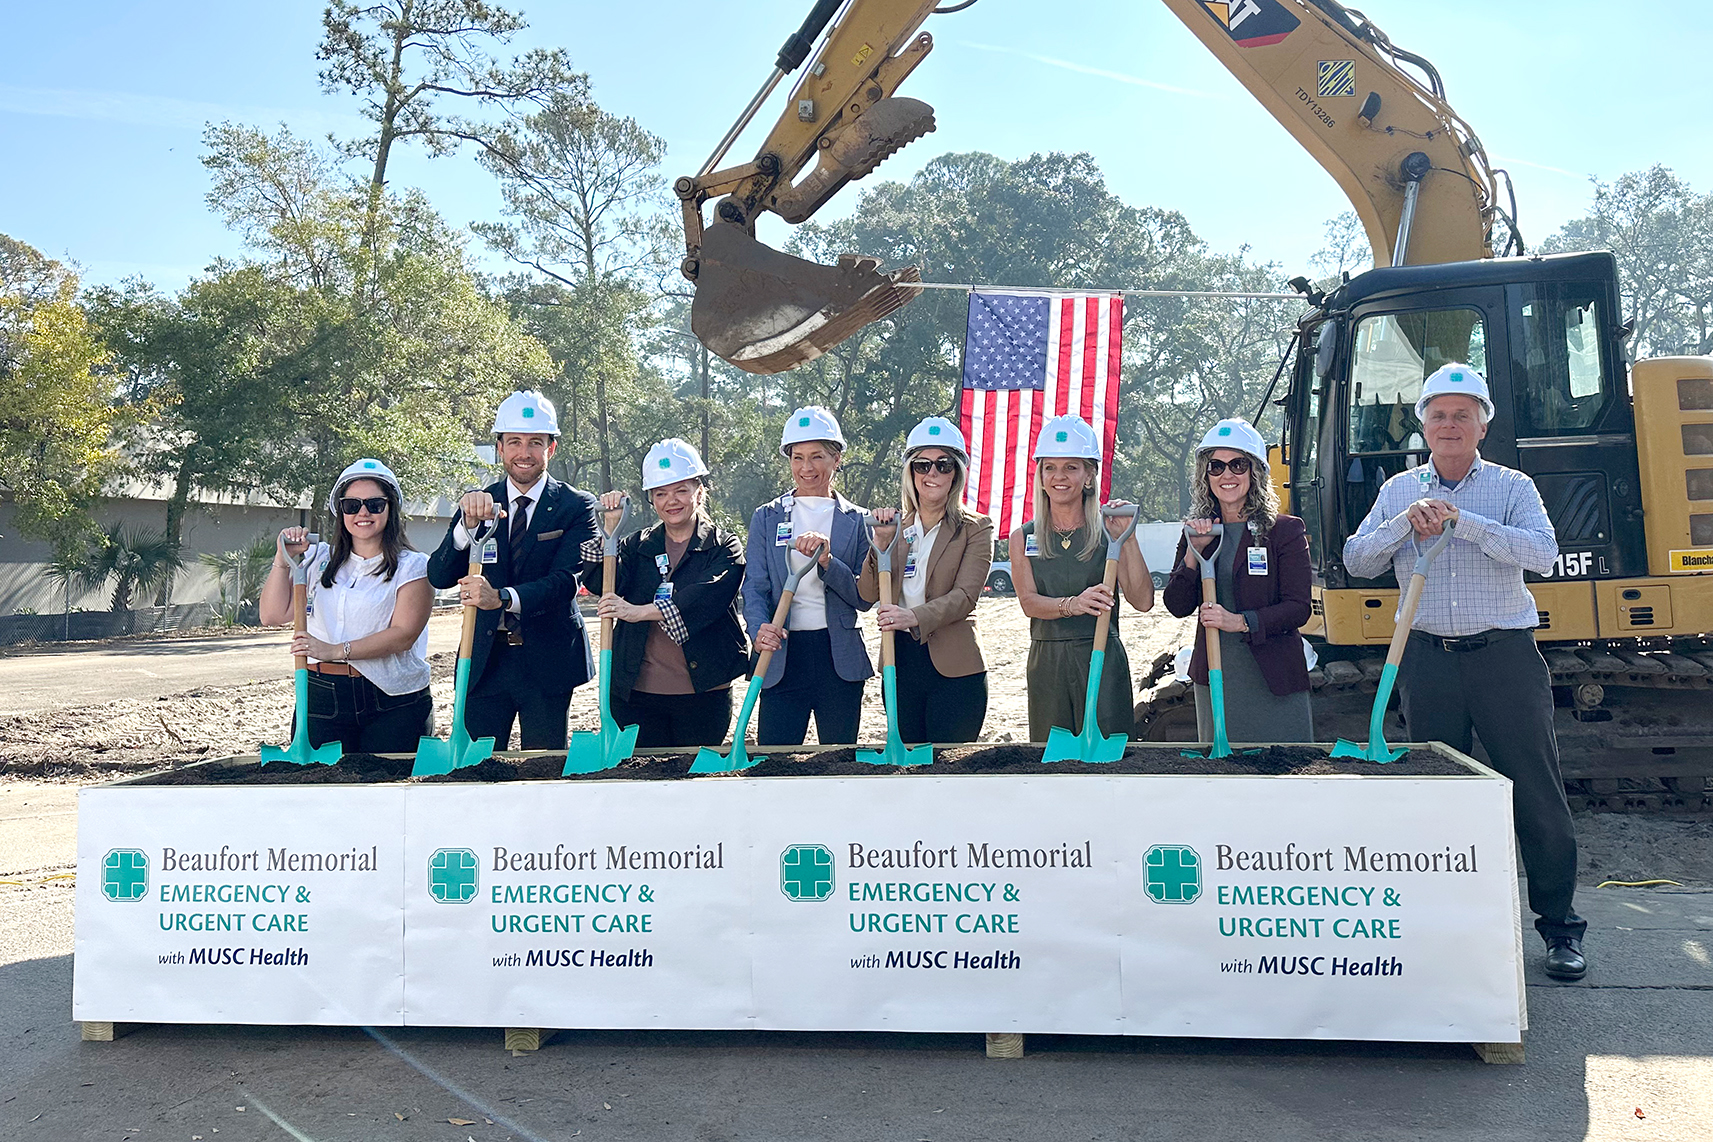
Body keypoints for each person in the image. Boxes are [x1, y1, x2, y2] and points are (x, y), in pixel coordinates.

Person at [1344, 362, 1587, 981]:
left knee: (1534, 793)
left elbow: (1542, 554)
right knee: (1436, 798)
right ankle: (1442, 925)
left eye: (1462, 415)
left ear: (1483, 424)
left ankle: (1560, 929)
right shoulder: (1398, 491)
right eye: (1438, 414)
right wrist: (1409, 521)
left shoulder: (1512, 486)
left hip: (1504, 658)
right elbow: (1358, 560)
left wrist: (1462, 521)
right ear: (1422, 424)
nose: (1449, 425)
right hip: (1427, 661)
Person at [427, 390, 597, 750]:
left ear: (551, 449)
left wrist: (502, 599)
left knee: (543, 768)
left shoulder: (576, 506)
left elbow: (566, 582)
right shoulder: (479, 503)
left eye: (535, 443)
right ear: (500, 448)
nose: (525, 453)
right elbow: (439, 577)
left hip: (548, 661)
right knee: (478, 769)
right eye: (515, 442)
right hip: (486, 662)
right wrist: (464, 527)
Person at [259, 458, 432, 753]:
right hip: (322, 694)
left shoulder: (413, 566)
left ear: (391, 509)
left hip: (393, 698)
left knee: (386, 791)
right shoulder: (317, 559)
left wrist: (335, 651)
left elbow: (404, 635)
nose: (362, 512)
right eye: (351, 505)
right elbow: (272, 615)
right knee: (322, 791)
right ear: (340, 512)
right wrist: (282, 560)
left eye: (375, 504)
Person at [586, 439, 748, 748]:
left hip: (704, 694)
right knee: (644, 782)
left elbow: (707, 598)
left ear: (699, 492)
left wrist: (639, 611)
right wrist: (609, 528)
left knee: (693, 784)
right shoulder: (637, 546)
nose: (671, 501)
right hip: (636, 695)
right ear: (651, 500)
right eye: (661, 493)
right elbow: (601, 582)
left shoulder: (723, 546)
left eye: (681, 491)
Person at [1163, 418, 1314, 742]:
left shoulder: (1284, 532)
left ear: (1255, 472)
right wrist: (1193, 551)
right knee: (1223, 779)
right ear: (1206, 474)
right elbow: (1176, 605)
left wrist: (1240, 621)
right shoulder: (1199, 531)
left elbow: (1298, 608)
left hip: (1272, 678)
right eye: (1216, 466)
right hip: (1217, 675)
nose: (1227, 475)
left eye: (1238, 465)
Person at [1010, 415, 1154, 743]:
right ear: (1041, 475)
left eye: (1071, 467)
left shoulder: (1110, 531)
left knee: (1111, 764)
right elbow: (1029, 603)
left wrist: (1126, 539)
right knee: (1053, 764)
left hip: (1102, 657)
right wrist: (1073, 604)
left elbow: (1143, 601)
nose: (1059, 477)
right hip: (1048, 663)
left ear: (1089, 475)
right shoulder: (1023, 537)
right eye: (1050, 467)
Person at [744, 406, 874, 746]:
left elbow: (863, 596)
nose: (806, 468)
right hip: (781, 656)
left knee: (838, 760)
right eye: (797, 457)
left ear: (837, 459)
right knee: (776, 761)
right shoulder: (766, 518)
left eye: (817, 456)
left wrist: (829, 562)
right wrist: (759, 630)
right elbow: (755, 587)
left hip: (838, 658)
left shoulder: (858, 521)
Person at [860, 417, 994, 744]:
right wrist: (880, 547)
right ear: (911, 473)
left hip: (956, 670)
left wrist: (914, 616)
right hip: (900, 663)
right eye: (922, 465)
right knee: (908, 773)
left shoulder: (976, 528)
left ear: (956, 474)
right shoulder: (895, 528)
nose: (931, 474)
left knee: (950, 775)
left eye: (943, 465)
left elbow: (964, 597)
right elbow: (866, 593)